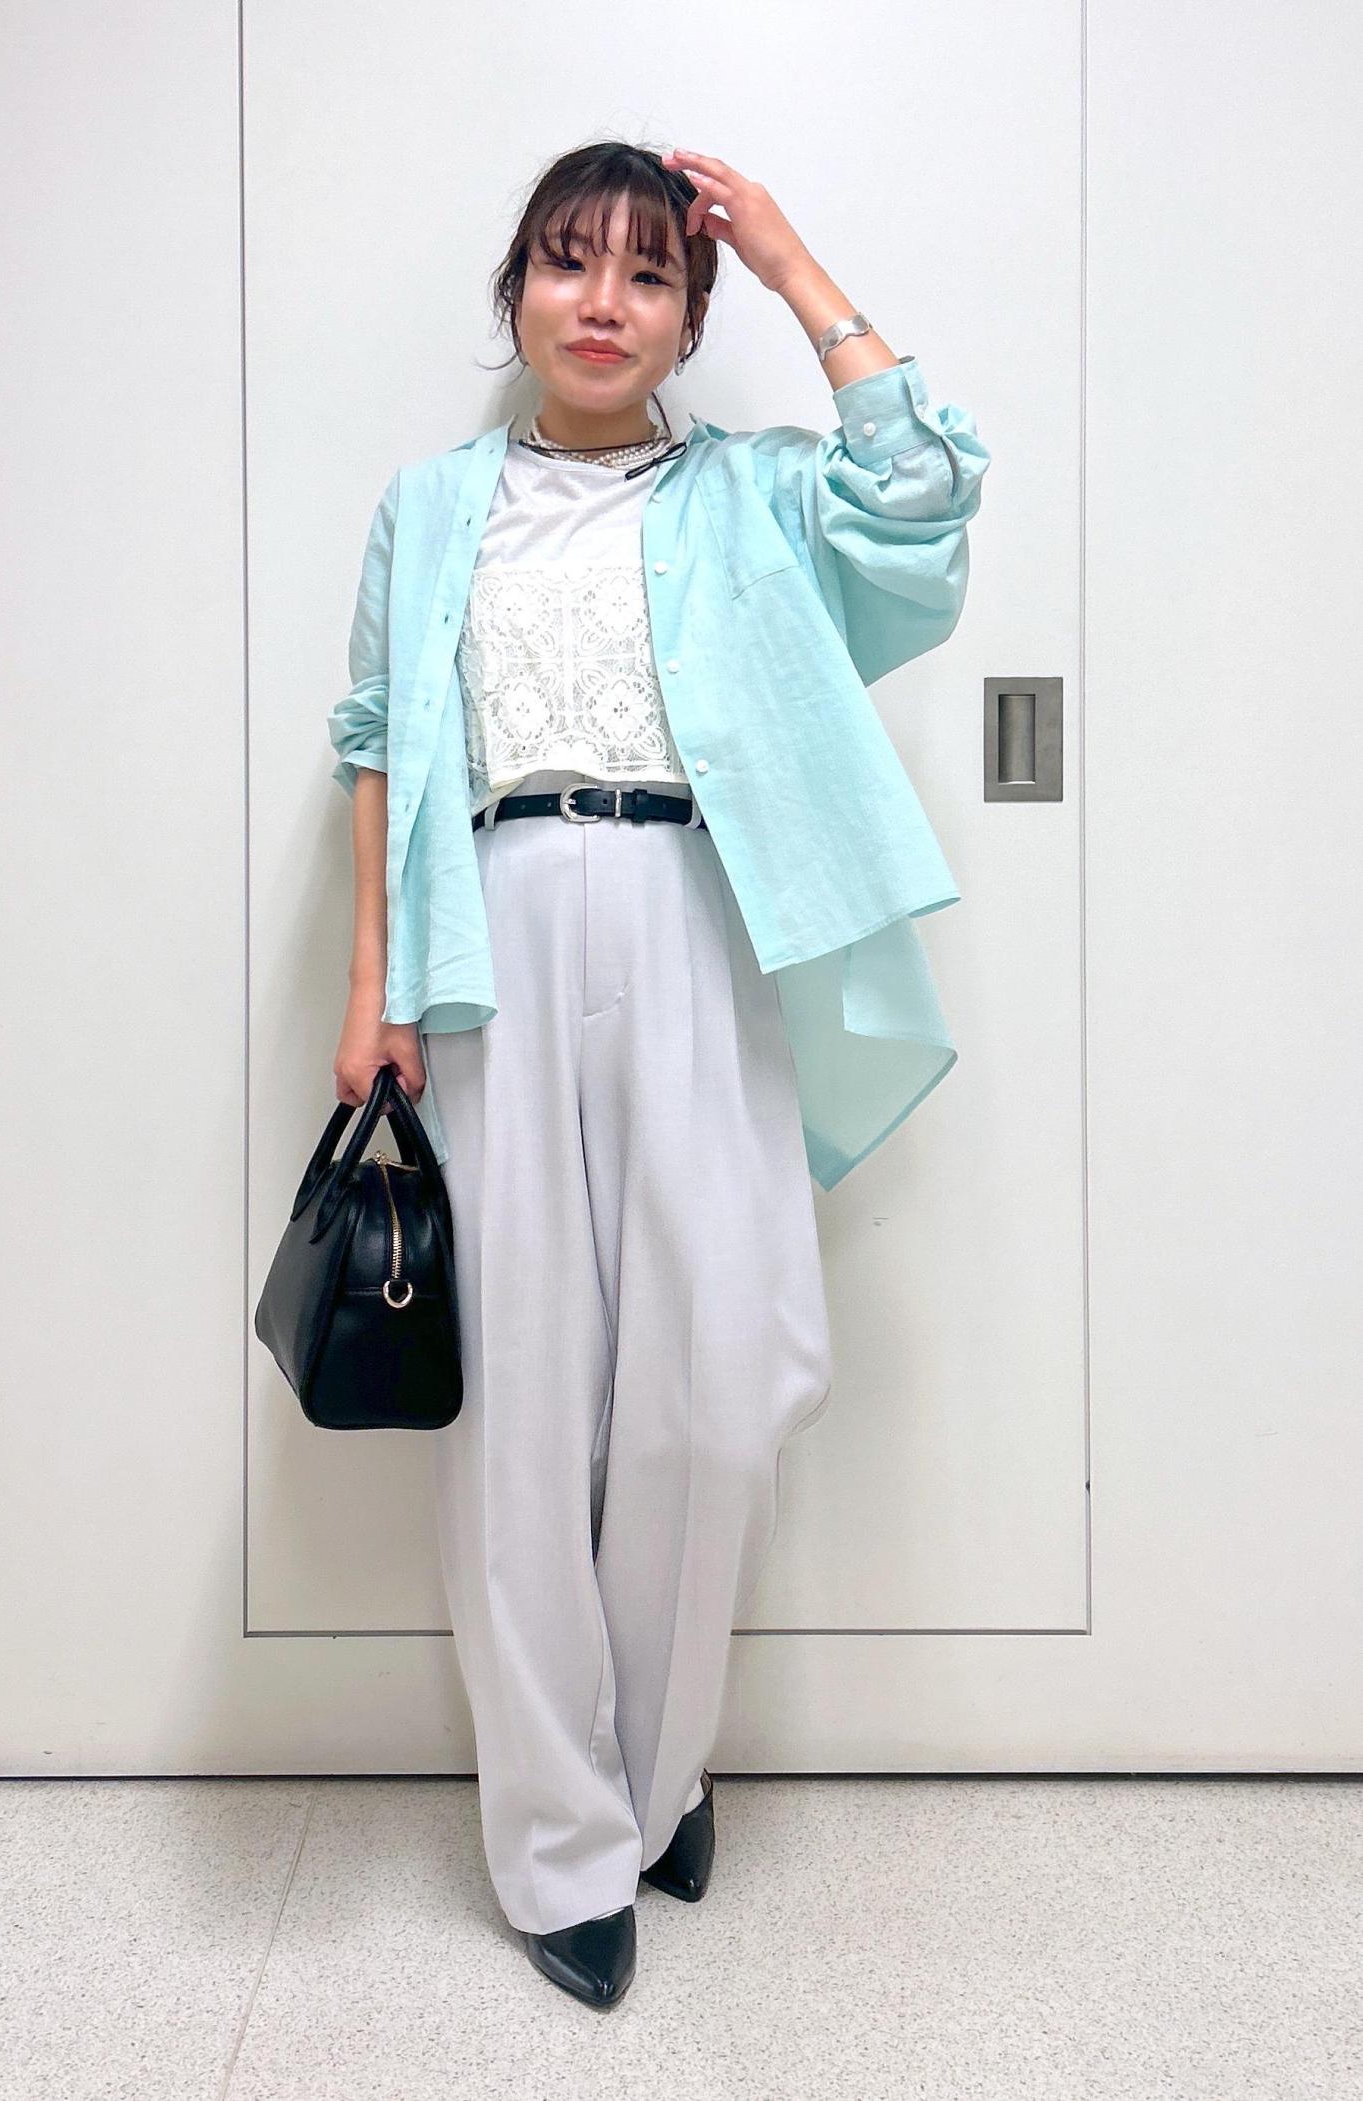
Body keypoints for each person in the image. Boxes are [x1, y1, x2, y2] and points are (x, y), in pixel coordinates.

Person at [327, 140, 991, 2009]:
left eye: (646, 274)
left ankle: (656, 1771)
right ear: (516, 292)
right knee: (526, 1403)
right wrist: (376, 987)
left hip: (702, 917)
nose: (602, 302)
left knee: (716, 1389)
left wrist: (785, 255)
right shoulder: (430, 507)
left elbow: (923, 497)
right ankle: (562, 1837)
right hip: (493, 939)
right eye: (567, 263)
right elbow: (375, 738)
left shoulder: (758, 497)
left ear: (690, 319)